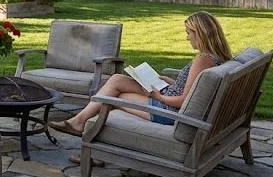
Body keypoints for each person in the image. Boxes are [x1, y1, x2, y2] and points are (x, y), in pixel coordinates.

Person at [47, 11, 232, 164]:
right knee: (117, 81)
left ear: (200, 33)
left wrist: (159, 96)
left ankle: (87, 141)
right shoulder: (215, 58)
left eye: (189, 32)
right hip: (167, 97)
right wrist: (170, 82)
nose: (187, 37)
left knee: (111, 98)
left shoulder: (203, 60)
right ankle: (80, 125)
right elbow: (194, 91)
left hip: (167, 109)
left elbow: (183, 101)